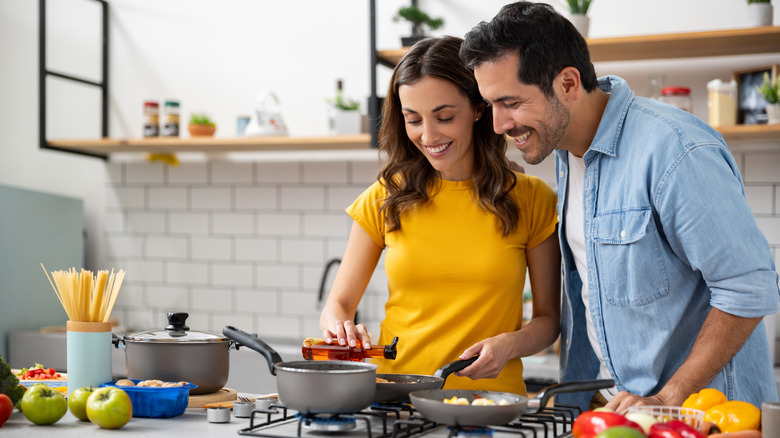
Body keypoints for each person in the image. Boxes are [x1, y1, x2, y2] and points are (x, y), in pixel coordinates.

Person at [460, 1, 780, 412]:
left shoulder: (674, 150)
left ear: (569, 84)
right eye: (492, 106)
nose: (499, 125)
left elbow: (749, 287)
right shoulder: (566, 151)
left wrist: (668, 397)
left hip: (706, 416)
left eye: (512, 103)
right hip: (629, 413)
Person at [319, 35, 561, 394]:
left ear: (479, 108)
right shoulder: (386, 197)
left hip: (490, 406)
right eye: (413, 119)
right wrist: (340, 328)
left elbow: (549, 320)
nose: (428, 135)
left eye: (444, 117)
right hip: (396, 401)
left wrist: (509, 344)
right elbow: (337, 305)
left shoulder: (531, 199)